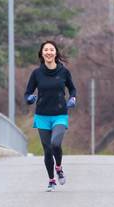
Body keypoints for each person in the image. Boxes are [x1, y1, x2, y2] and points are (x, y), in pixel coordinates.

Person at [25, 40, 77, 191]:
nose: (49, 52)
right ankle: (51, 180)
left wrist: (72, 98)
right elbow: (27, 93)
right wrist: (29, 98)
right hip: (42, 115)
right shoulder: (36, 73)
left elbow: (72, 89)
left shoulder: (64, 72)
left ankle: (58, 167)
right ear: (42, 53)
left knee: (55, 144)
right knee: (47, 149)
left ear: (56, 53)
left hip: (60, 114)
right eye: (46, 50)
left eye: (51, 50)